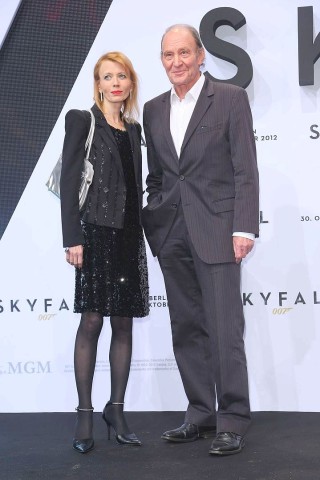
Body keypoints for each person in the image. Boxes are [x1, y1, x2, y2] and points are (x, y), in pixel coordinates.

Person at [142, 25, 259, 456]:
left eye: (184, 53)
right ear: (163, 60)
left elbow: (245, 168)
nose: (177, 62)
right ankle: (199, 413)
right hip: (171, 234)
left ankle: (232, 418)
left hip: (218, 231)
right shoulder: (154, 109)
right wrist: (155, 218)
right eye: (169, 55)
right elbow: (156, 175)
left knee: (225, 328)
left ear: (201, 54)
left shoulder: (229, 99)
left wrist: (243, 228)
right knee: (186, 327)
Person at [60, 51, 149, 454]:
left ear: (130, 84)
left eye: (122, 76)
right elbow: (68, 181)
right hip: (94, 234)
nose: (115, 83)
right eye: (107, 76)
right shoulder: (82, 120)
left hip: (129, 235)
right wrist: (71, 236)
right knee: (92, 321)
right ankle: (84, 413)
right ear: (98, 83)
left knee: (124, 325)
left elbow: (136, 184)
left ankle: (117, 409)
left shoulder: (133, 129)